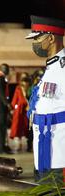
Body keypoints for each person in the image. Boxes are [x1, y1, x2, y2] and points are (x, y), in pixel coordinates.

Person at [25, 15, 65, 182]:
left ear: (50, 38)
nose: (35, 43)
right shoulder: (51, 67)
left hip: (59, 152)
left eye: (38, 37)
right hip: (43, 151)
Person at [9, 77, 31, 152]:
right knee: (17, 126)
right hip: (18, 111)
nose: (25, 85)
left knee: (24, 126)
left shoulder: (29, 89)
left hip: (25, 111)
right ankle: (18, 143)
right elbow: (15, 99)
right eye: (24, 83)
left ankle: (22, 143)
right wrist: (12, 108)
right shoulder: (18, 89)